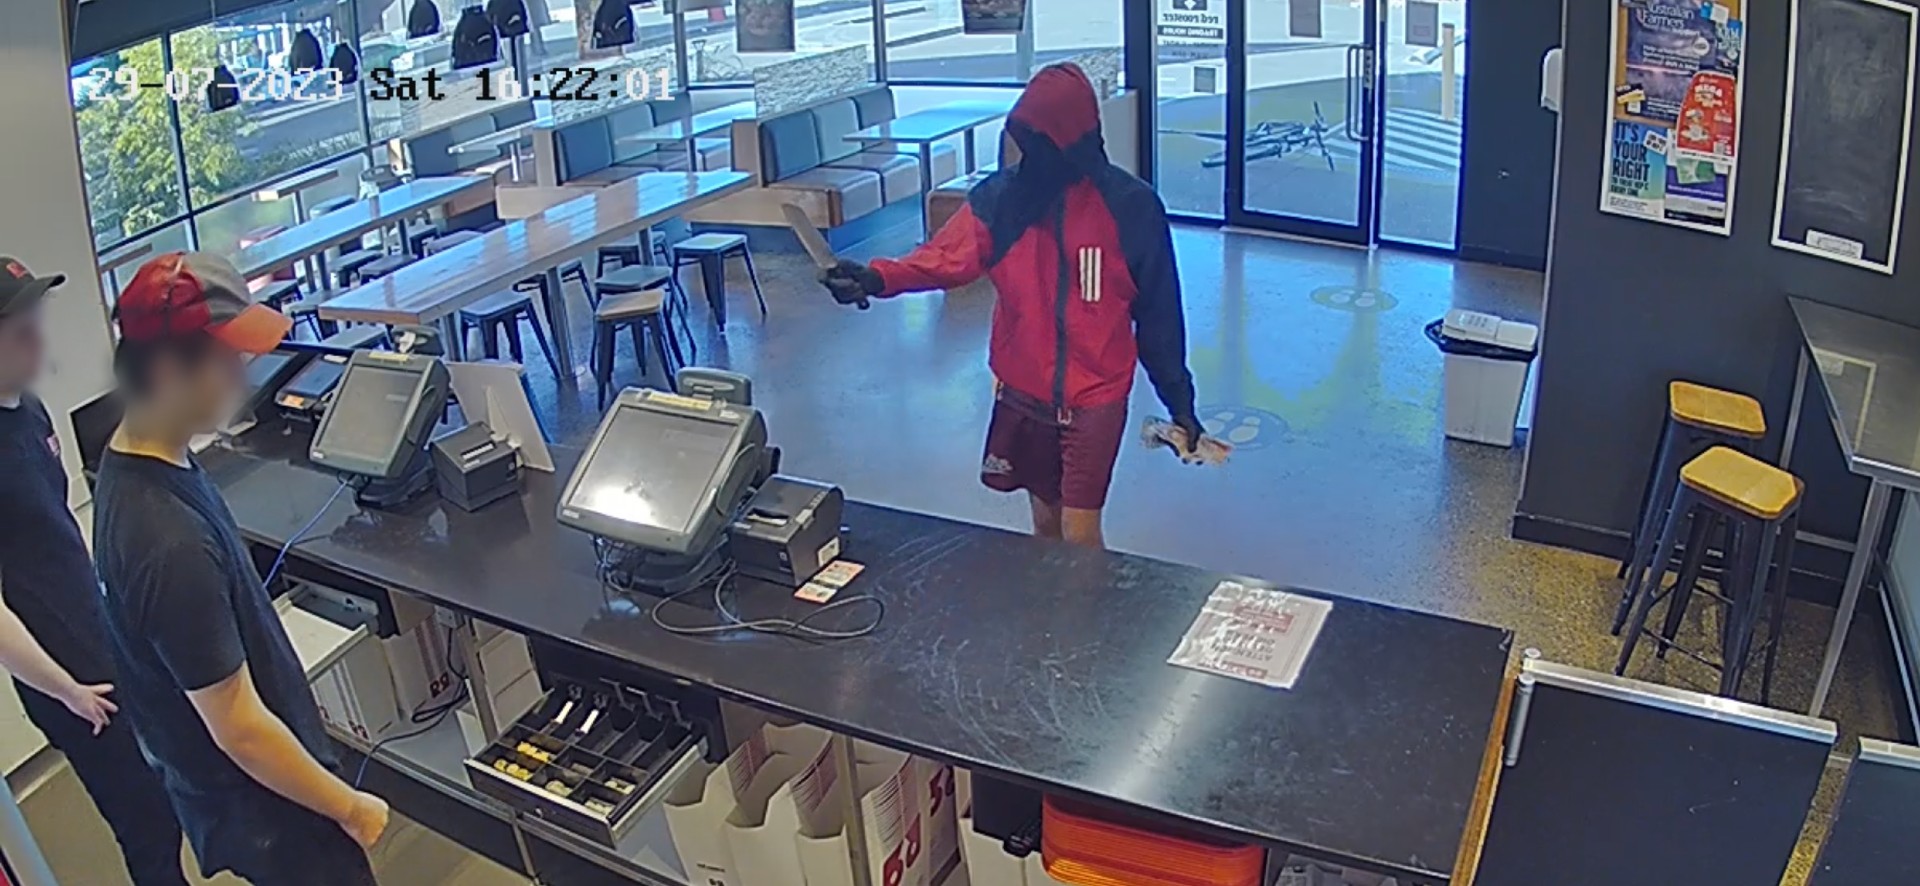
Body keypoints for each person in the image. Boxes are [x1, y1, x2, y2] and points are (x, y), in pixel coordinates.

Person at [92, 252, 389, 886]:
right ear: (170, 367)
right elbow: (241, 729)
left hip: (247, 803)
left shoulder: (141, 462)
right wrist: (351, 807)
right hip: (272, 817)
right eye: (227, 357)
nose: (243, 370)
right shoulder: (166, 541)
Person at [822, 63, 1202, 549]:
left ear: (1073, 141)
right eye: (1025, 140)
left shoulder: (1131, 208)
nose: (1030, 155)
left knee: (1079, 533)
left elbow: (1160, 318)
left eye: (1042, 142)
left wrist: (1180, 402)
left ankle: (1085, 622)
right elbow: (944, 259)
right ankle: (1049, 620)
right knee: (1044, 527)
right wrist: (877, 277)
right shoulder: (1002, 199)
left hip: (1095, 398)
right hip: (1023, 390)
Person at [0, 257, 191, 886]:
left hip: (104, 640)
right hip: (68, 681)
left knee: (170, 796)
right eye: (18, 328)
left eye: (35, 320)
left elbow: (52, 534)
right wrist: (67, 691)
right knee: (145, 824)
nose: (37, 337)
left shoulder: (28, 410)